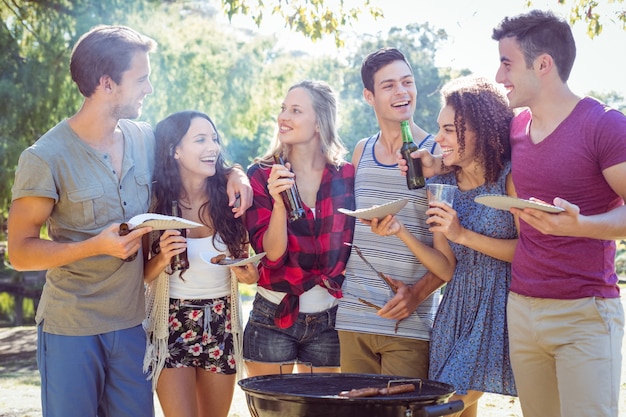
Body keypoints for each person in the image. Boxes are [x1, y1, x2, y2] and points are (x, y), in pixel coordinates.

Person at [7, 25, 251, 417]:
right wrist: (94, 247)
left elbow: (193, 157)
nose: (149, 89)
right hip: (71, 327)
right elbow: (19, 252)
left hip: (132, 326)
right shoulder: (45, 157)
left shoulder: (144, 139)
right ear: (107, 83)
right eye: (141, 79)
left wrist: (233, 173)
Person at [489, 10, 626, 417]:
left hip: (584, 314)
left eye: (507, 63)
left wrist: (582, 225)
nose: (499, 76)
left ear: (543, 64)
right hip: (523, 309)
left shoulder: (604, 126)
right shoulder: (516, 129)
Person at [372, 76, 518, 417]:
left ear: (481, 130)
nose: (438, 139)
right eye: (440, 128)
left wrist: (462, 234)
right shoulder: (441, 183)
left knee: (441, 403)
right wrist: (401, 232)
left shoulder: (509, 177)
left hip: (498, 307)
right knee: (460, 410)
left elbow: (526, 251)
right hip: (453, 311)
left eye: (449, 130)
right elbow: (446, 267)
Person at [334, 47, 444, 378]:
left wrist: (417, 293)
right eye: (389, 85)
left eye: (407, 82)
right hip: (353, 315)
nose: (402, 92)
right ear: (369, 96)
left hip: (409, 321)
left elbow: (454, 251)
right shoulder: (360, 151)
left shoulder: (438, 155)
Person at [142, 110, 256, 417]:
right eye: (201, 139)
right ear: (174, 150)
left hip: (222, 322)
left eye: (214, 139)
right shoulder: (155, 202)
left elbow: (249, 275)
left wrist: (247, 272)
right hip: (171, 325)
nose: (213, 147)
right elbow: (143, 275)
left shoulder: (230, 198)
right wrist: (162, 257)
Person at [243, 80, 355, 376]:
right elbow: (272, 256)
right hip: (273, 314)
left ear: (319, 123)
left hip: (328, 318)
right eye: (283, 109)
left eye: (295, 110)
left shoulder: (344, 175)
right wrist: (280, 205)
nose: (283, 117)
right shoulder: (261, 175)